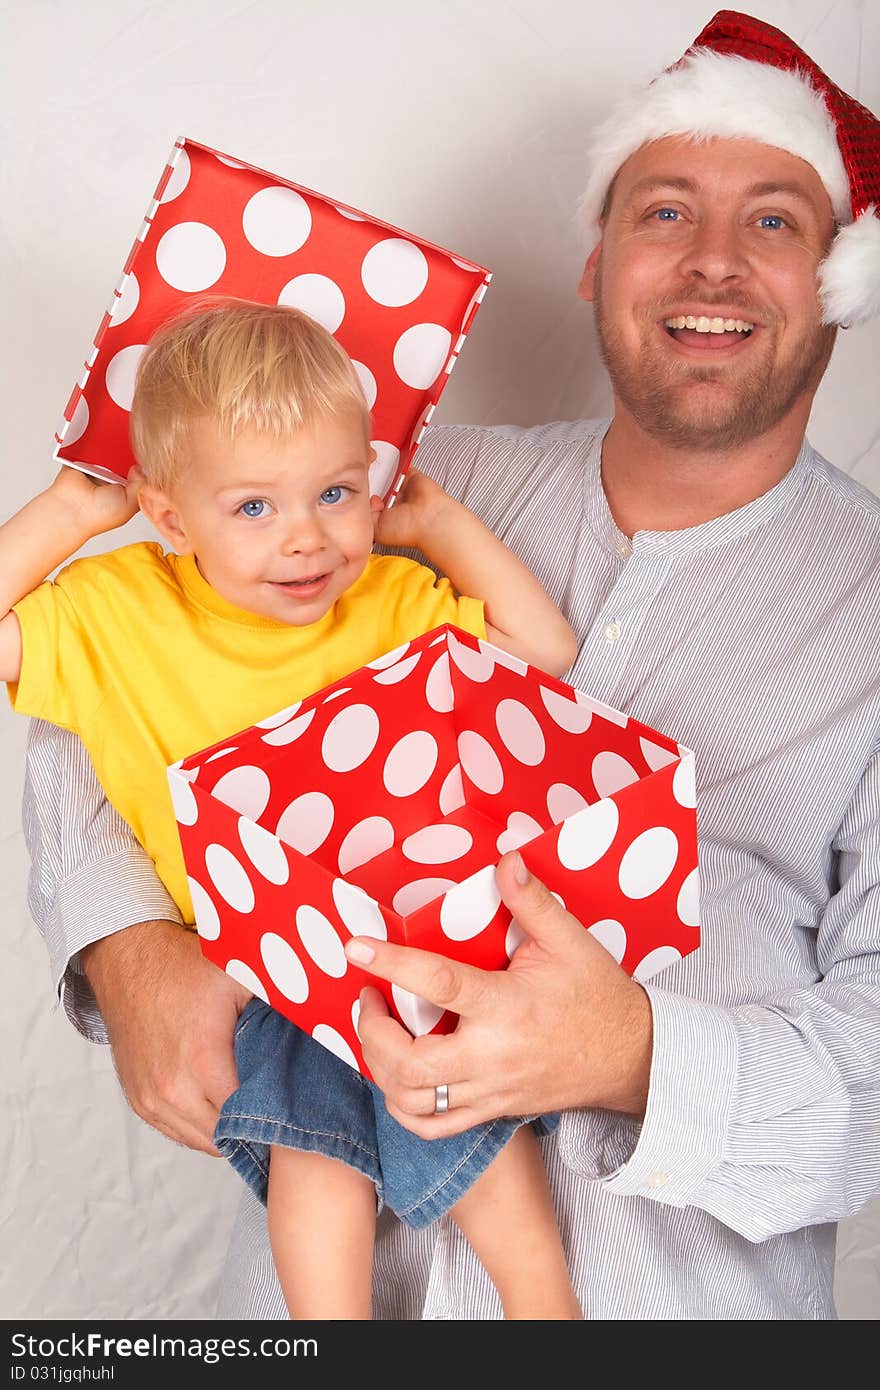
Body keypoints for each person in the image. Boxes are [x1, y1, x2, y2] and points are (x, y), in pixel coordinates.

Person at [22, 9, 880, 1318]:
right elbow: (123, 666)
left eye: (773, 218)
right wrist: (132, 941)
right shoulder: (392, 494)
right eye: (663, 212)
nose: (711, 262)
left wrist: (636, 1053)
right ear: (595, 262)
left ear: (838, 278)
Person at [3, 299, 581, 1319]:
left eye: (335, 492)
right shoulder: (118, 611)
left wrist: (436, 522)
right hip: (263, 964)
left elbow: (547, 656)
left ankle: (551, 1320)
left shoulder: (391, 598)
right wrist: (72, 512)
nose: (307, 539)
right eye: (254, 507)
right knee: (314, 1158)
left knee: (482, 1140)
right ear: (171, 515)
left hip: (418, 942)